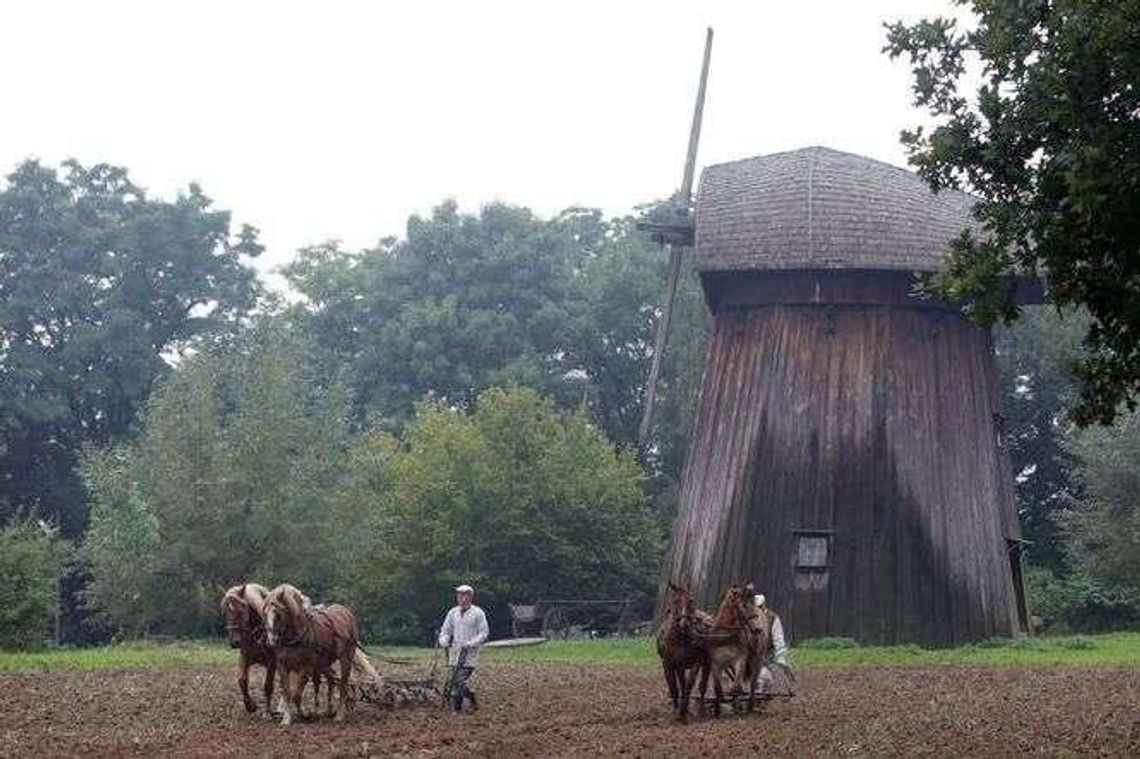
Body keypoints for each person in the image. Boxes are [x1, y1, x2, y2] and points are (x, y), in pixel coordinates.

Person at [438, 583, 489, 712]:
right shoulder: (453, 612)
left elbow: (483, 633)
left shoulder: (478, 613)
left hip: (469, 654)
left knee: (459, 681)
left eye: (465, 595)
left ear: (471, 596)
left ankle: (465, 703)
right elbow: (445, 631)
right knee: (455, 680)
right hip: (455, 653)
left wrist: (470, 643)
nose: (462, 598)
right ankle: (461, 706)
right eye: (460, 595)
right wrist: (444, 641)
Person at [754, 593, 791, 695]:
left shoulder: (772, 618)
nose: (757, 609)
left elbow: (778, 638)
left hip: (765, 654)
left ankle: (759, 698)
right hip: (749, 654)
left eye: (759, 607)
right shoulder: (748, 618)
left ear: (764, 605)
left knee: (765, 677)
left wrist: (781, 657)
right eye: (756, 607)